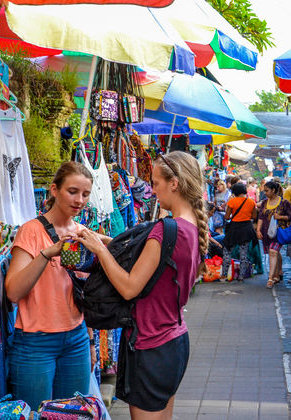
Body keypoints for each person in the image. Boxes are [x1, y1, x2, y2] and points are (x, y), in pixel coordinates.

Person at [76, 151, 208, 419]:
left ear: (174, 183)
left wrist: (99, 252)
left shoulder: (166, 229)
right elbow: (146, 258)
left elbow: (129, 287)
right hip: (174, 340)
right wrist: (99, 239)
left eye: (156, 183)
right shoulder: (191, 228)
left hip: (150, 345)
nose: (153, 190)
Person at [5, 162, 108, 409]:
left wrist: (91, 342)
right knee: (34, 413)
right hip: (35, 343)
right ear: (54, 190)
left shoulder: (84, 235)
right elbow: (13, 291)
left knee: (73, 414)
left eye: (85, 194)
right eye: (72, 191)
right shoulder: (31, 231)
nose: (80, 200)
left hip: (76, 339)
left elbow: (82, 295)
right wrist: (47, 253)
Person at [257, 181, 291, 289]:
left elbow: (290, 217)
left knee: (273, 252)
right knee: (274, 252)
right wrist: (258, 230)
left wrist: (280, 217)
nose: (265, 193)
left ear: (273, 190)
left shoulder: (284, 203)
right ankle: (278, 273)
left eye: (267, 191)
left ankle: (270, 278)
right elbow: (261, 217)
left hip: (279, 232)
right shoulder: (264, 203)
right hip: (266, 233)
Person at [221, 183, 257, 282]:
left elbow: (227, 217)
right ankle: (241, 276)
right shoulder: (251, 202)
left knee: (227, 250)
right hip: (247, 228)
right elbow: (254, 216)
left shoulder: (232, 202)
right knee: (243, 253)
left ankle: (224, 275)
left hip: (234, 228)